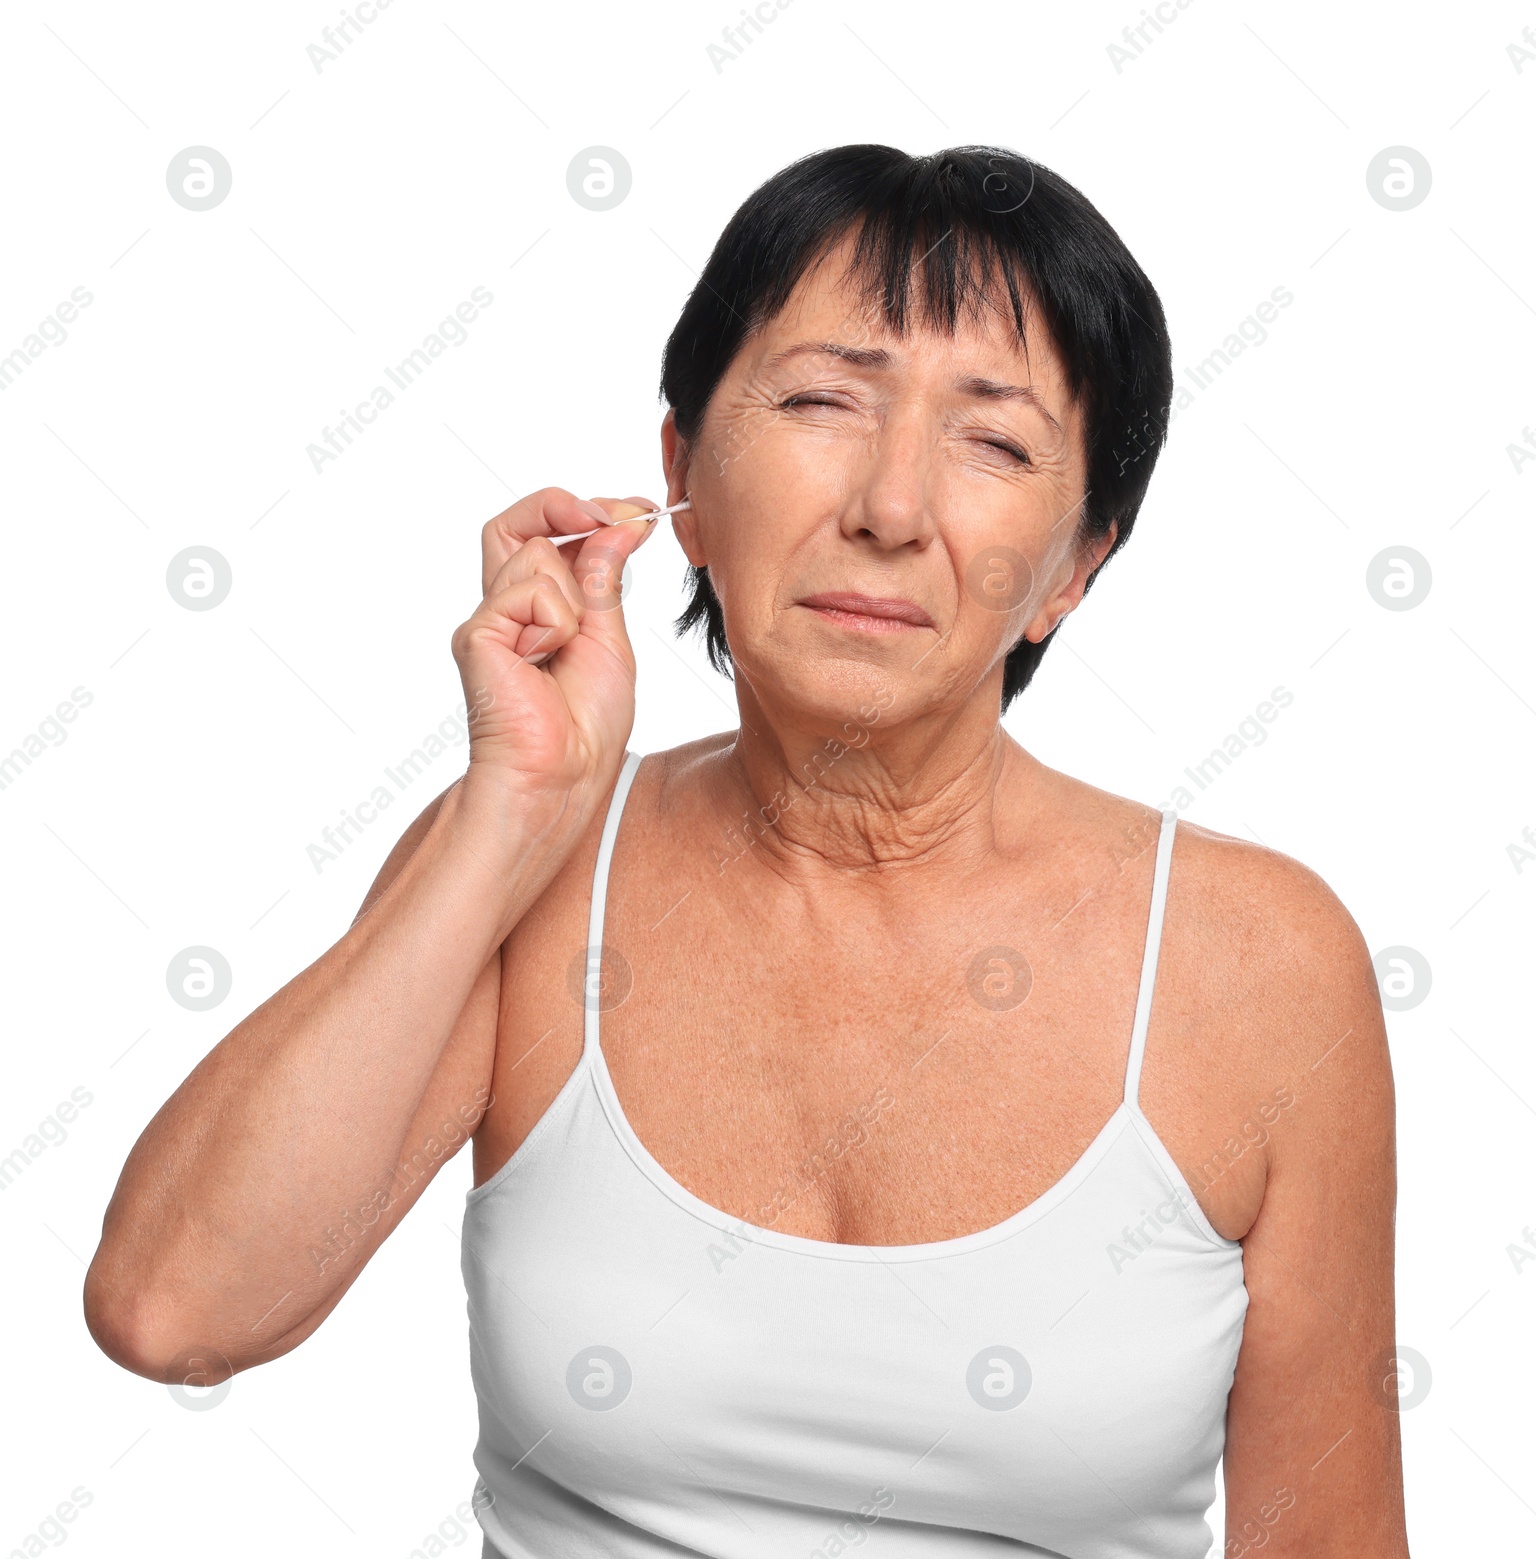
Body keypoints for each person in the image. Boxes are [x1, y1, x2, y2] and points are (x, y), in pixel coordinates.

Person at [85, 144, 1408, 1558]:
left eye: (995, 441)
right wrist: (514, 806)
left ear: (1078, 563)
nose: (890, 510)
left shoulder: (1257, 962)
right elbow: (176, 1313)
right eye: (826, 401)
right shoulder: (532, 869)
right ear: (683, 481)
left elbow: (1328, 1541)